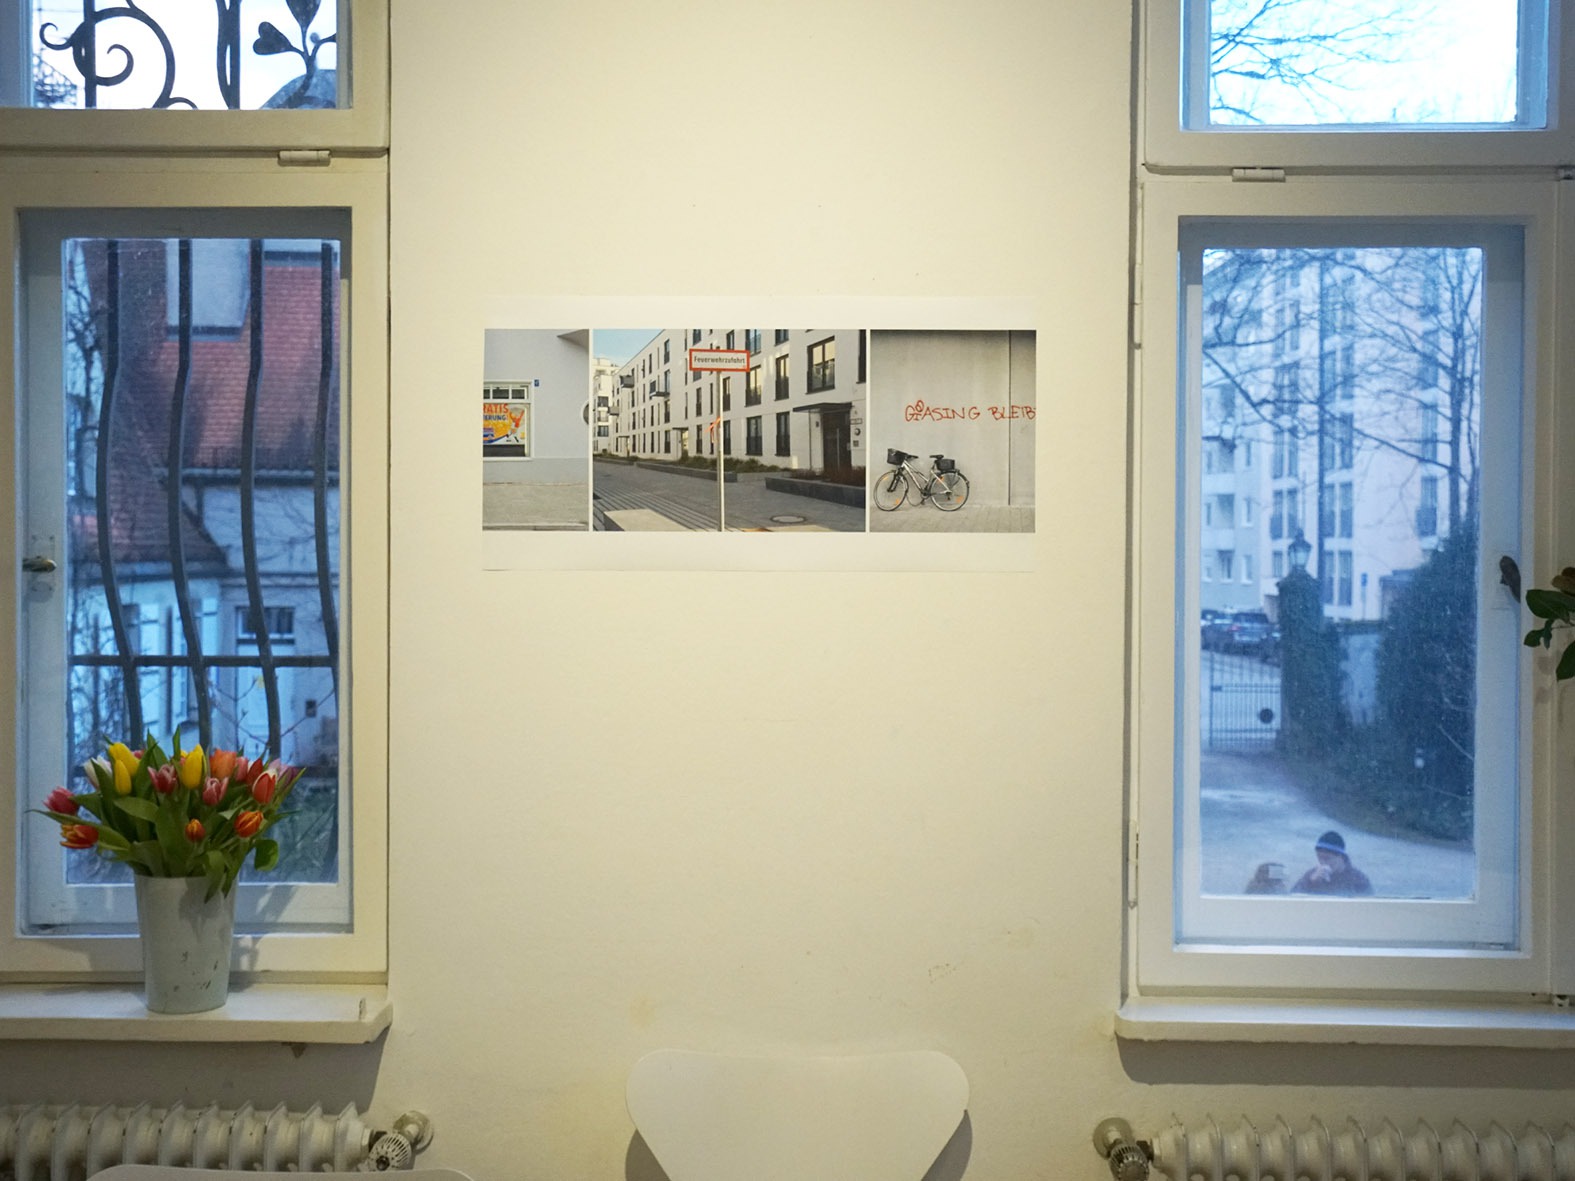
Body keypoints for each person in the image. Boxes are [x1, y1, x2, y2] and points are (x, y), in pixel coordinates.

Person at [1291, 830, 1373, 896]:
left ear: (1340, 856)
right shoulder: (1312, 875)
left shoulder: (1358, 879)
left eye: (1327, 858)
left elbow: (1367, 905)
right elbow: (1293, 897)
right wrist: (1310, 883)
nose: (1323, 862)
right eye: (1319, 858)